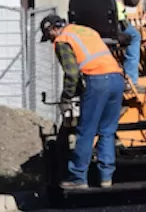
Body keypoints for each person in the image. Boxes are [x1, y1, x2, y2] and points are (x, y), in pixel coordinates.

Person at [40, 14, 125, 190]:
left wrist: (66, 97)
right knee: (107, 131)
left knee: (86, 131)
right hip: (117, 79)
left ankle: (78, 177)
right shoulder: (86, 31)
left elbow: (71, 73)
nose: (50, 42)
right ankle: (106, 178)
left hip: (97, 81)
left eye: (49, 37)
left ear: (53, 29)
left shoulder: (63, 40)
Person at [78, 0, 142, 86]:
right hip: (115, 27)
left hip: (90, 30)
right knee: (135, 37)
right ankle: (130, 80)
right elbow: (134, 0)